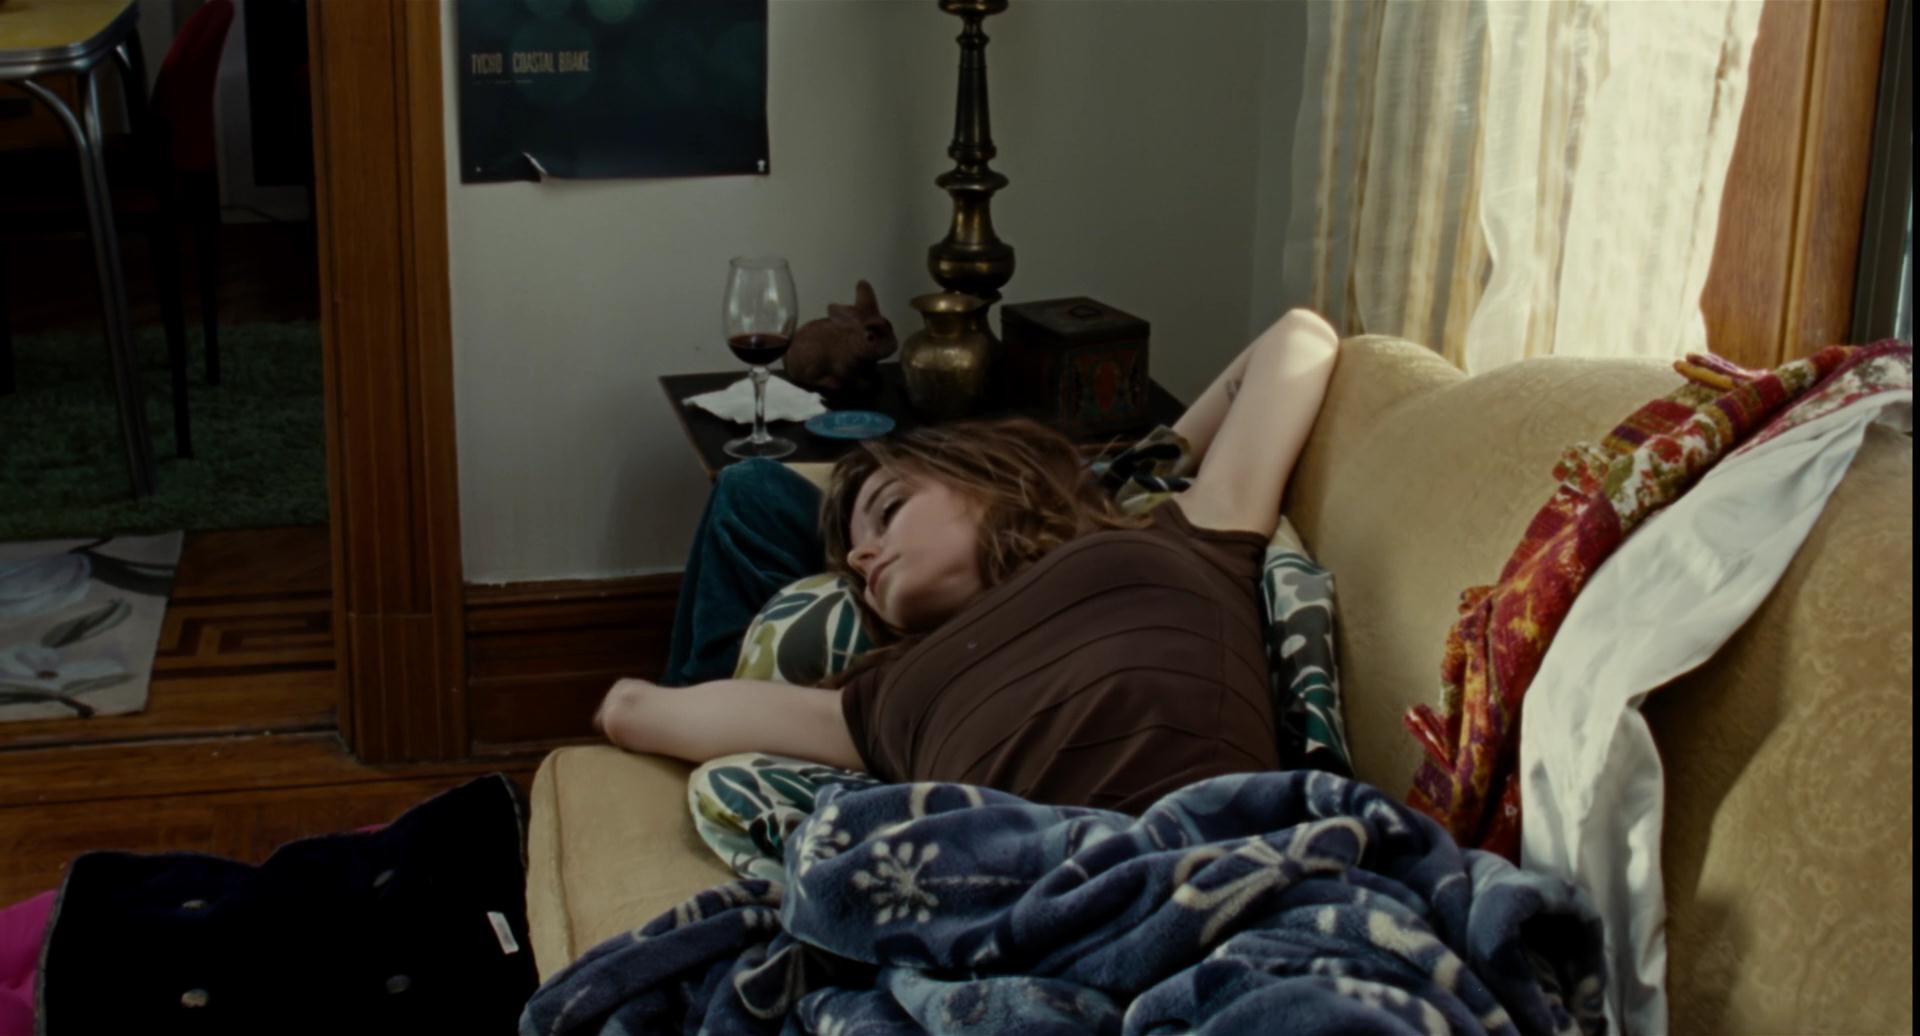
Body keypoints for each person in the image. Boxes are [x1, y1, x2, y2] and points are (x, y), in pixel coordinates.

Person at [597, 308, 1341, 812]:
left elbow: (1298, 340)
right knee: (750, 490)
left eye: (890, 510)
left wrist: (1130, 472)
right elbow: (634, 710)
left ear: (992, 479)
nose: (862, 555)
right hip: (1039, 918)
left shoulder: (1184, 539)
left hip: (1225, 879)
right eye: (854, 562)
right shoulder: (884, 696)